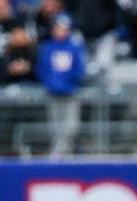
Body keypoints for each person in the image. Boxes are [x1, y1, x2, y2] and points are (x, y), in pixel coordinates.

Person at [35, 12, 87, 156]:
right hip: (52, 93)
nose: (60, 31)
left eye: (64, 28)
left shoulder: (75, 47)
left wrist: (67, 81)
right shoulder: (47, 48)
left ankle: (61, 153)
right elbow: (42, 68)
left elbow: (80, 69)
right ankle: (60, 152)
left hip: (71, 93)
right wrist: (50, 83)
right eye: (58, 28)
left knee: (71, 126)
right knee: (54, 126)